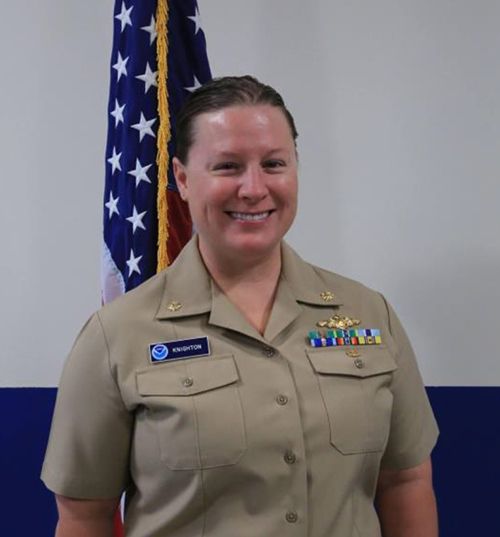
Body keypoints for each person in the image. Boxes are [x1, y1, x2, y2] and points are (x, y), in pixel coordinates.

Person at [42, 75, 439, 537]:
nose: (253, 188)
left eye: (274, 164)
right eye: (228, 166)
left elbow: (405, 481)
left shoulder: (370, 314)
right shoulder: (118, 336)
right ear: (184, 179)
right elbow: (84, 516)